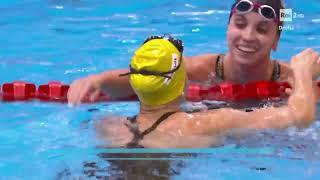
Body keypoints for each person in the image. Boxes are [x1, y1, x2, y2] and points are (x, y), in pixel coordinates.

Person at [67, 0, 310, 105]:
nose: (247, 36)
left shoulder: (289, 77)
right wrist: (97, 80)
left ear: (276, 41)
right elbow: (148, 76)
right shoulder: (202, 70)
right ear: (227, 28)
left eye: (262, 29)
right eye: (239, 24)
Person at [95, 37, 320, 148]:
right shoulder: (206, 123)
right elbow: (300, 118)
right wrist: (301, 71)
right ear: (183, 84)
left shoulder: (108, 126)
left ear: (134, 85)